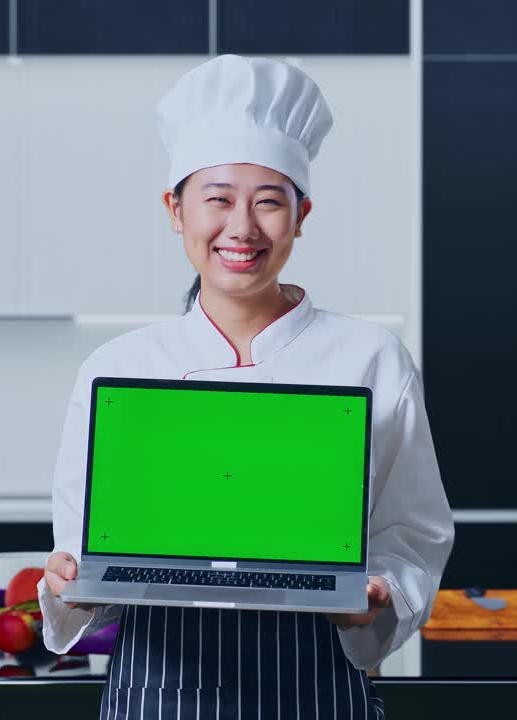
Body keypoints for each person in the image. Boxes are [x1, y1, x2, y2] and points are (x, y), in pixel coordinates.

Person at [37, 54, 454, 719]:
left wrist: (377, 599)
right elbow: (81, 555)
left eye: (268, 202)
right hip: (158, 695)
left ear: (302, 213)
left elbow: (413, 535)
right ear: (175, 209)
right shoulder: (118, 368)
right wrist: (67, 586)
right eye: (219, 199)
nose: (242, 227)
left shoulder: (370, 357)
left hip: (317, 691)